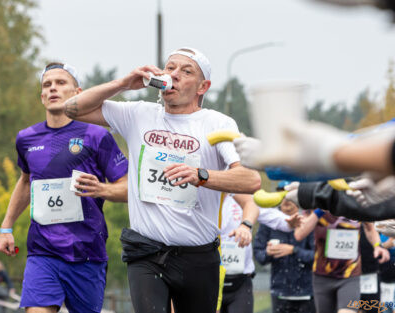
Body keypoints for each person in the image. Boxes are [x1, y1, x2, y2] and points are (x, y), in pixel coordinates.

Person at [62, 47, 261, 313]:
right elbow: (72, 109)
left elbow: (251, 180)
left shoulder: (217, 123)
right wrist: (123, 84)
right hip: (146, 253)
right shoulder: (139, 114)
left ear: (203, 86)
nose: (174, 75)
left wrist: (201, 176)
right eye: (170, 68)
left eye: (186, 71)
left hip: (199, 257)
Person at [0, 62, 129, 313]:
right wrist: (6, 226)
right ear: (42, 97)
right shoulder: (26, 138)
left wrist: (101, 189)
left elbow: (127, 188)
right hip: (42, 251)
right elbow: (25, 181)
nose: (53, 89)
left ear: (78, 93)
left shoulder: (97, 136)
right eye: (47, 85)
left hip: (87, 252)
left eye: (60, 83)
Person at [294, 210, 390, 313]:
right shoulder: (321, 206)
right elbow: (299, 235)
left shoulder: (356, 205)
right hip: (322, 276)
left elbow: (370, 228)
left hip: (350, 275)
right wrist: (319, 211)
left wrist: (377, 246)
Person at [254, 188, 315, 313]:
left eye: (290, 196)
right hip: (280, 292)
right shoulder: (268, 222)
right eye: (282, 195)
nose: (286, 200)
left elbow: (317, 257)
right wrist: (268, 253)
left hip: (307, 292)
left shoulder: (308, 220)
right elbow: (259, 255)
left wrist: (294, 250)